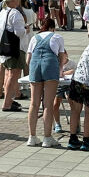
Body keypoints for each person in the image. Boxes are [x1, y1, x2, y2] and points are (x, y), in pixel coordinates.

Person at [25, 18, 68, 147]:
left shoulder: (34, 38)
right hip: (50, 65)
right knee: (48, 104)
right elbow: (61, 58)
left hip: (35, 66)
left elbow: (28, 59)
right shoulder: (57, 37)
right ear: (52, 28)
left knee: (34, 103)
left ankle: (32, 137)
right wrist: (60, 71)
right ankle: (47, 138)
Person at [0, 0, 27, 113]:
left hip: (4, 47)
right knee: (13, 75)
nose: (19, 0)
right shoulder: (15, 13)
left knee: (9, 73)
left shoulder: (3, 11)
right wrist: (25, 29)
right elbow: (19, 32)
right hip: (15, 48)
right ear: (13, 0)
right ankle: (7, 103)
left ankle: (9, 99)